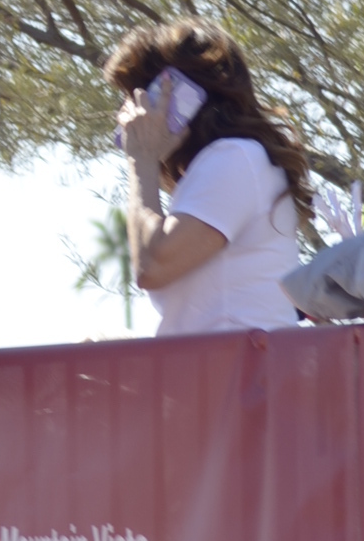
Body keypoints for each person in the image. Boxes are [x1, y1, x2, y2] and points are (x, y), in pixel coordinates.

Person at [103, 19, 312, 333]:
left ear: (175, 97)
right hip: (218, 360)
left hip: (239, 362)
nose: (125, 115)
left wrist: (142, 161)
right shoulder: (229, 163)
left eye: (134, 99)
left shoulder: (235, 157)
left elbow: (153, 266)